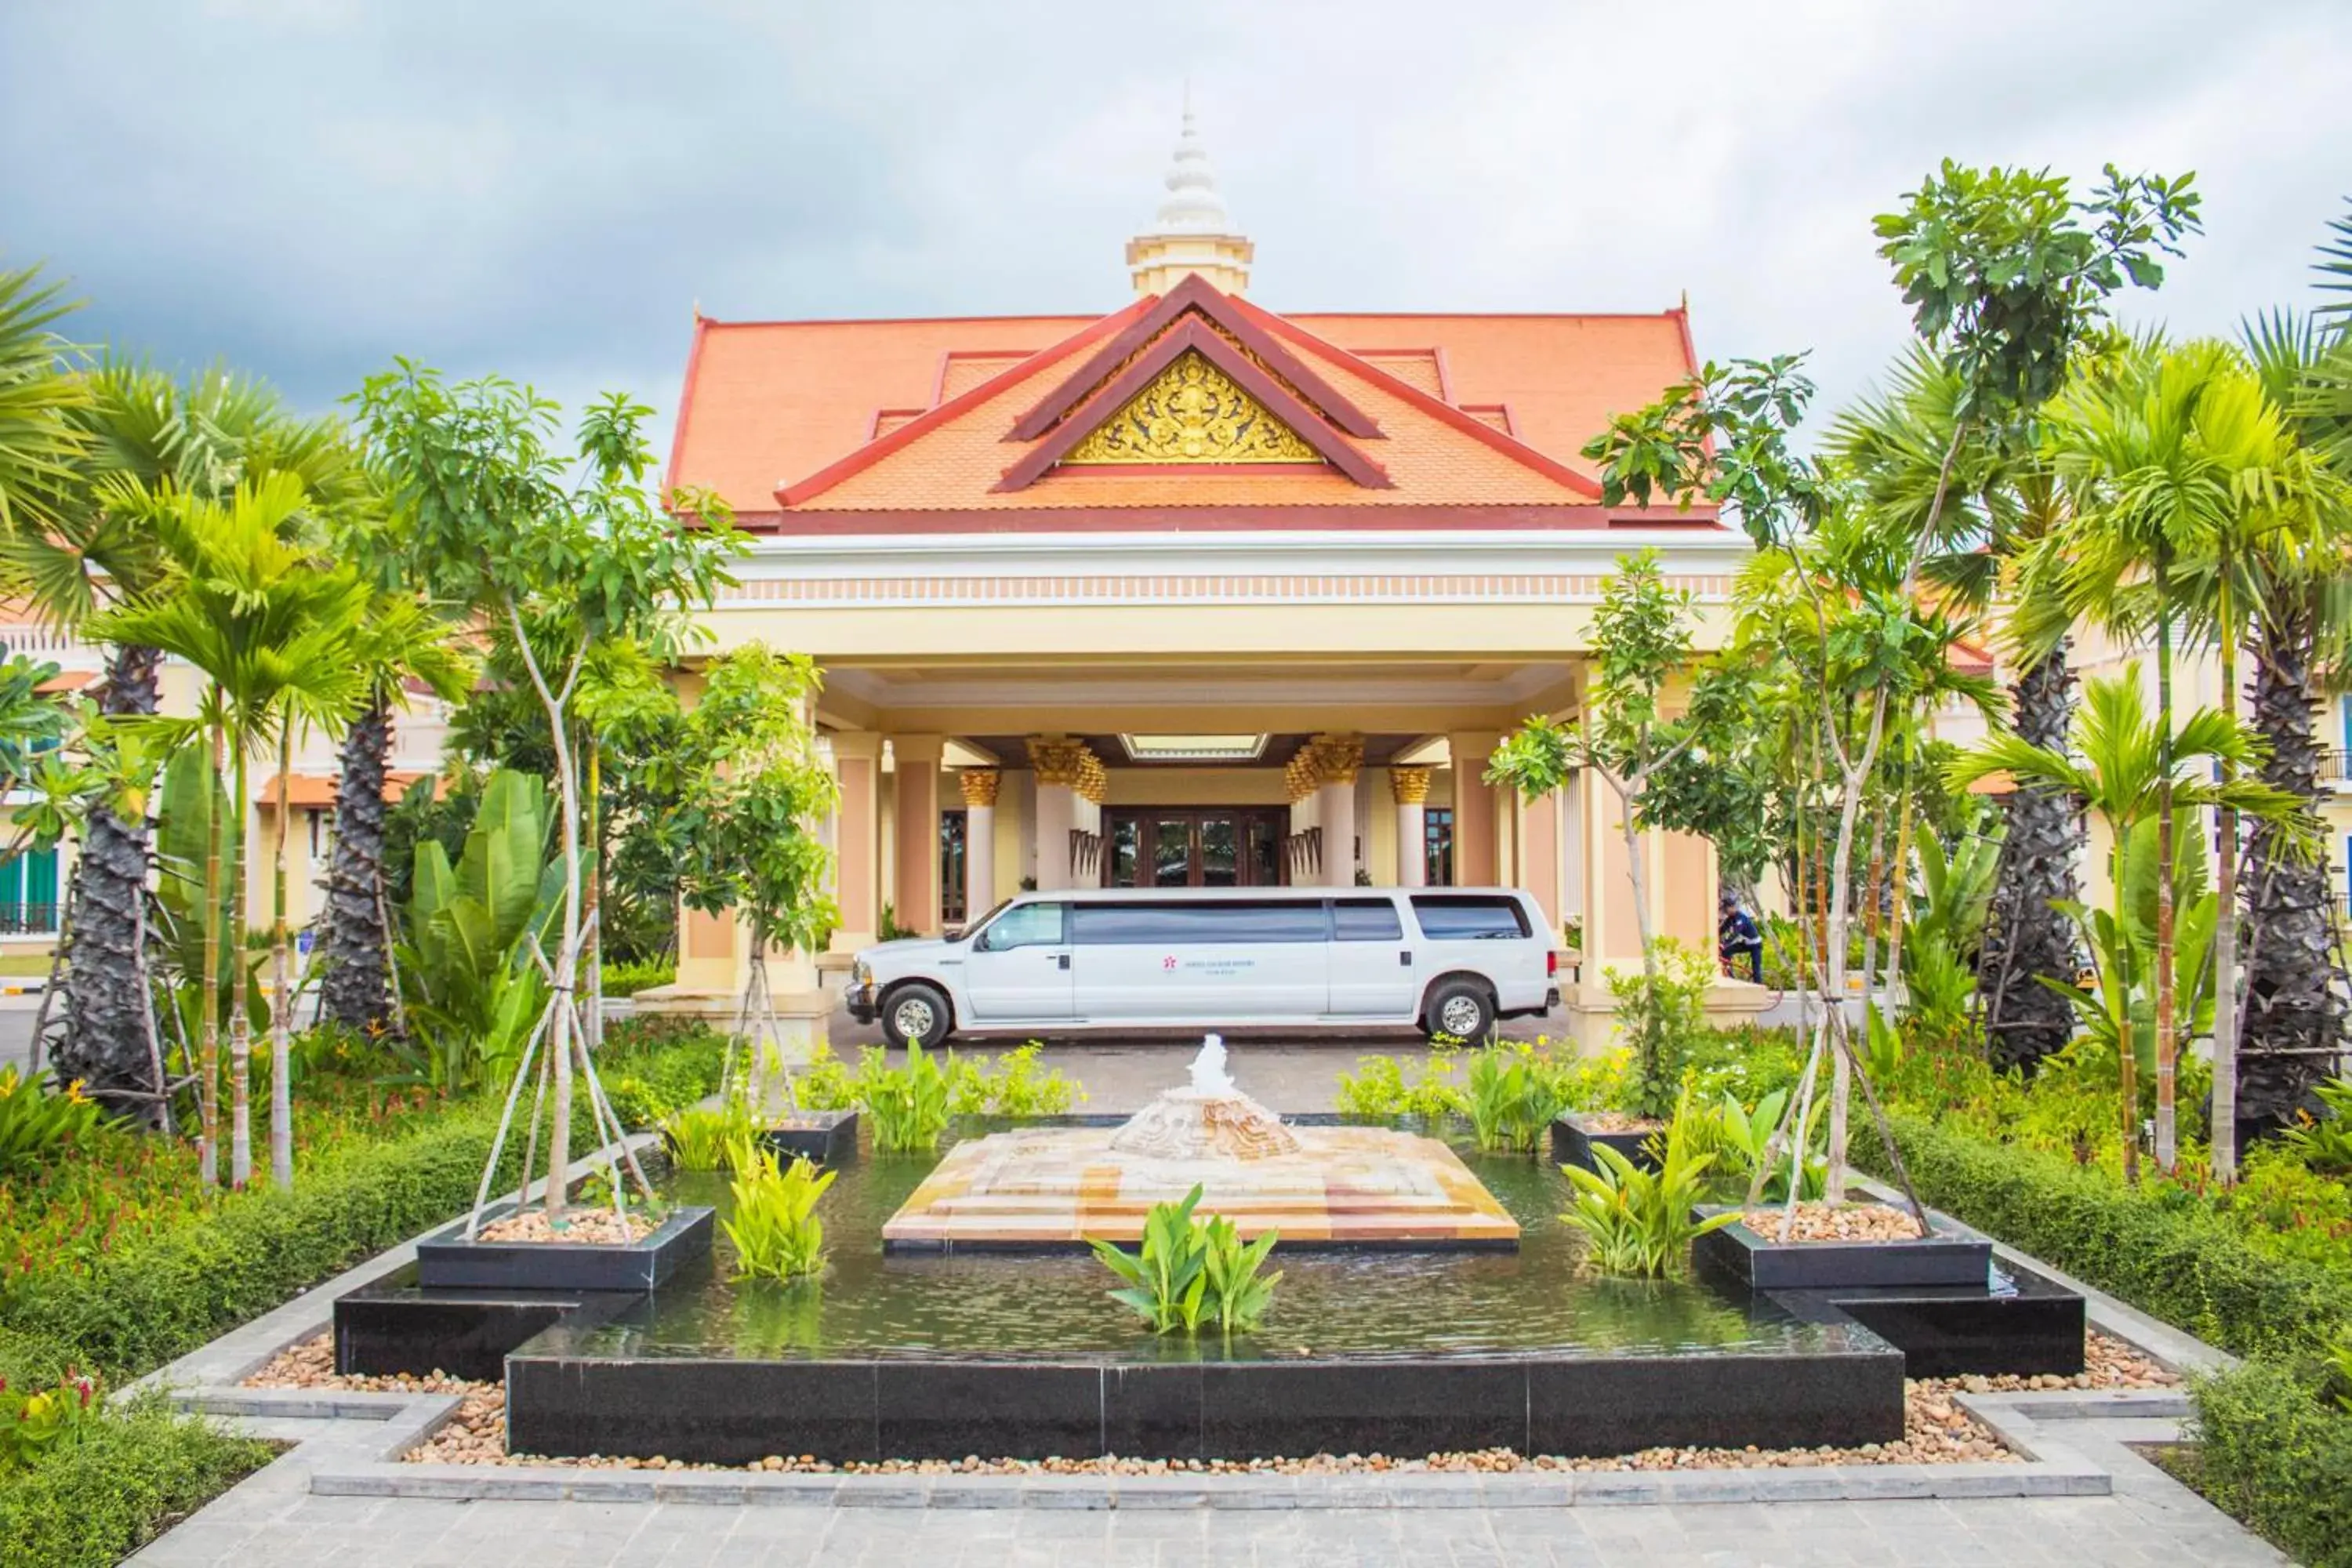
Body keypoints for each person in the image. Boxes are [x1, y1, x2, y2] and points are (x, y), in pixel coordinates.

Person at [1718, 891, 1764, 983]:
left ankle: (1758, 988)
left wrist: (1724, 943)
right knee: (1726, 951)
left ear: (1732, 907)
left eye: (1726, 909)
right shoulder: (1730, 918)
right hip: (1746, 943)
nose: (1725, 912)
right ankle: (1729, 974)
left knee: (1756, 970)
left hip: (1756, 945)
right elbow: (1722, 929)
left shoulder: (1741, 918)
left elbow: (1735, 933)